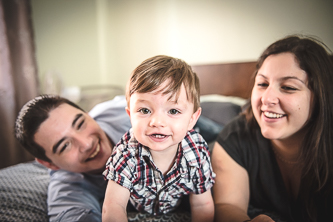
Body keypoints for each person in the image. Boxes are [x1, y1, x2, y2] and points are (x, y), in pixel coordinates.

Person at [212, 35, 333, 222]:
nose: (266, 99)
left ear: (320, 97)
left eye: (288, 87)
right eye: (262, 84)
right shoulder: (235, 136)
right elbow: (227, 205)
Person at [102, 55, 216, 222]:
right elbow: (113, 207)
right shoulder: (126, 153)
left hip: (178, 204)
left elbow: (202, 205)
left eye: (173, 111)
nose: (157, 122)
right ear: (130, 115)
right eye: (145, 110)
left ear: (192, 118)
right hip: (134, 207)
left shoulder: (196, 152)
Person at [14, 94, 131, 221]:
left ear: (88, 114)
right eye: (65, 146)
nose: (86, 144)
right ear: (49, 164)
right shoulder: (68, 190)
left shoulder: (134, 112)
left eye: (80, 124)